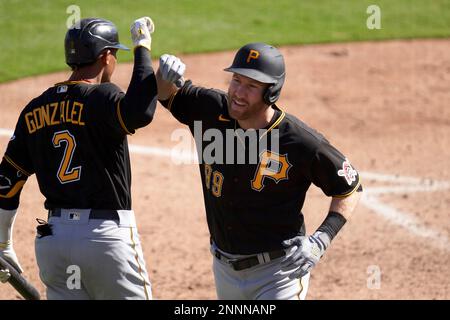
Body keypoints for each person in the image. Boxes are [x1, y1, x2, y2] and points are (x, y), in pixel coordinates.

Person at [156, 43, 363, 300]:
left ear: (272, 91)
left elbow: (350, 188)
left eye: (251, 86)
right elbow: (167, 95)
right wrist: (163, 76)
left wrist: (321, 240)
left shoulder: (300, 142)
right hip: (224, 270)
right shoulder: (210, 109)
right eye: (236, 80)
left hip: (279, 273)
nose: (238, 93)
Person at [0, 17, 157, 299]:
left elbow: (6, 183)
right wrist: (142, 47)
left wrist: (2, 244)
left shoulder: (34, 108)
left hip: (54, 243)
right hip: (105, 240)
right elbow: (140, 111)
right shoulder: (102, 98)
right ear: (106, 57)